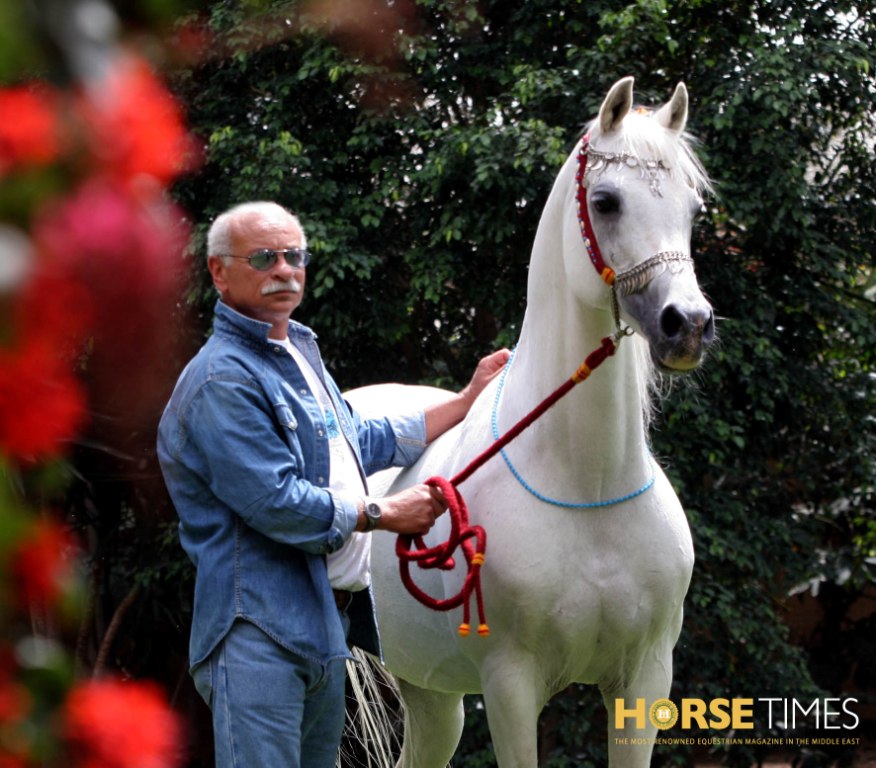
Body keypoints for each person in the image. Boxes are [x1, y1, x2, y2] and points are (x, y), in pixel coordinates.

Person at [156, 201, 509, 768]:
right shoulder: (221, 379)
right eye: (265, 257)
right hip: (255, 633)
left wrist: (465, 403)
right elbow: (276, 502)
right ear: (219, 272)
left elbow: (359, 439)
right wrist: (386, 513)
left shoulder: (296, 354)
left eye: (295, 256)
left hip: (322, 625)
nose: (284, 270)